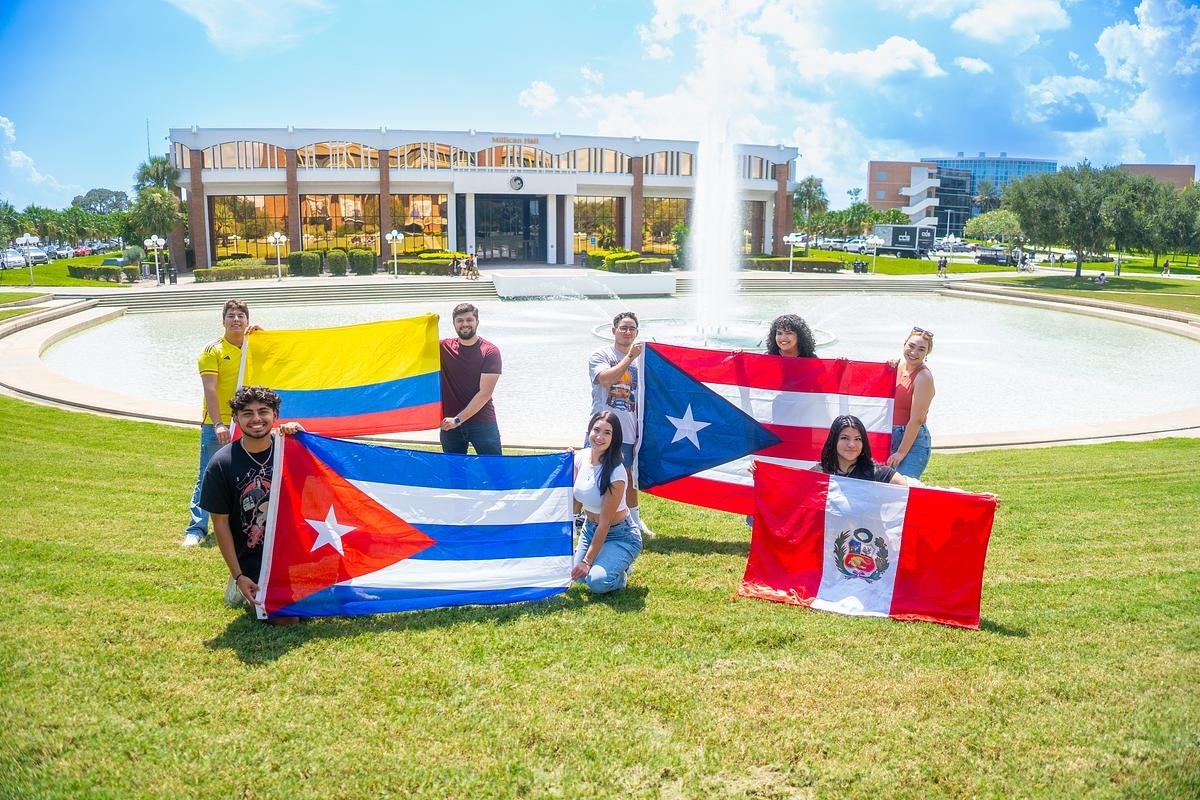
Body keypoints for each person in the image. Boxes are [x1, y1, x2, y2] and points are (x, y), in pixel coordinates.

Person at [198, 386, 304, 624]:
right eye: (247, 413)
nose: (256, 419)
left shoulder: (291, 450)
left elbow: (324, 473)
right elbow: (220, 523)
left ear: (275, 415)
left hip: (293, 552)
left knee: (338, 604)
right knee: (288, 619)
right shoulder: (222, 464)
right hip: (256, 559)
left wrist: (303, 436)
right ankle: (239, 586)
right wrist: (239, 575)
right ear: (236, 418)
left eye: (263, 411)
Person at [183, 299, 259, 547]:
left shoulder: (253, 346)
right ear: (223, 320)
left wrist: (264, 336)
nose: (236, 319)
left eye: (241, 315)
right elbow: (210, 390)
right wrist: (218, 424)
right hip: (219, 424)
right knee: (208, 474)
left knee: (247, 474)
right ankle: (196, 528)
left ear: (247, 320)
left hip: (248, 422)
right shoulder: (212, 351)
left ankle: (245, 523)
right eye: (231, 315)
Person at [589, 311, 654, 537]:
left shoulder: (643, 360)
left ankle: (634, 520)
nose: (627, 332)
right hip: (603, 427)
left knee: (628, 476)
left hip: (630, 428)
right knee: (594, 471)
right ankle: (585, 517)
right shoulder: (601, 354)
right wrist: (629, 358)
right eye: (623, 328)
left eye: (632, 329)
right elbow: (605, 379)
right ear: (613, 330)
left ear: (637, 332)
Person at [572, 411, 642, 593]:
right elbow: (575, 500)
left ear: (614, 438)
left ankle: (621, 574)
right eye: (596, 430)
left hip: (620, 534)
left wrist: (587, 562)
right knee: (576, 577)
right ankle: (605, 560)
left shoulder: (616, 473)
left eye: (607, 433)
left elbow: (605, 523)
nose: (599, 437)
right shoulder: (580, 457)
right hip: (589, 530)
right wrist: (565, 459)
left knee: (596, 582)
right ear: (589, 431)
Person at [439, 302, 502, 454]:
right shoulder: (443, 347)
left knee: (495, 472)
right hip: (449, 424)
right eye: (460, 320)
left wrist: (457, 420)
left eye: (469, 320)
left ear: (477, 322)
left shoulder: (490, 351)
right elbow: (415, 346)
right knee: (456, 475)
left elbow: (484, 394)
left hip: (482, 424)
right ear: (454, 323)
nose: (465, 324)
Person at [888, 326, 936, 479]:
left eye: (921, 349)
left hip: (912, 442)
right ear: (904, 344)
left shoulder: (923, 377)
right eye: (911, 346)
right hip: (889, 436)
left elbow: (916, 420)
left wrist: (901, 452)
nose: (914, 352)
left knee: (901, 488)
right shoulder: (898, 368)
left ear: (926, 353)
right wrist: (885, 369)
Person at [813, 415, 907, 485]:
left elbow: (903, 487)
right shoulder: (818, 473)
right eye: (845, 438)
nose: (851, 444)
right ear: (834, 441)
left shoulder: (876, 473)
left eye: (858, 439)